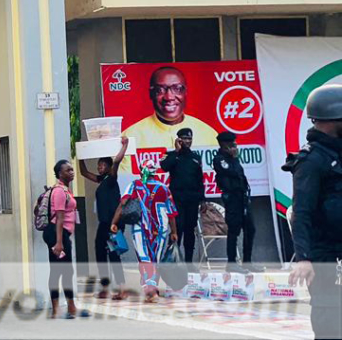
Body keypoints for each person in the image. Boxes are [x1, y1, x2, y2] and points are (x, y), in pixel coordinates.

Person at [285, 84, 342, 340]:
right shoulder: (312, 161)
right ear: (332, 120)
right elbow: (301, 213)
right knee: (329, 328)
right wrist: (303, 258)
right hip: (325, 259)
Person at [111, 159, 178, 303]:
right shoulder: (164, 188)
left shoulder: (135, 185)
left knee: (144, 258)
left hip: (140, 228)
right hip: (161, 230)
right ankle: (152, 288)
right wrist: (174, 232)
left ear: (142, 171)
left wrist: (114, 222)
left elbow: (123, 204)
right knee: (155, 259)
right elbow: (171, 212)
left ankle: (150, 291)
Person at [122, 67, 219, 155]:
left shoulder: (208, 134)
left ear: (185, 92)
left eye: (177, 89)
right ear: (151, 94)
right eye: (160, 90)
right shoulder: (131, 136)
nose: (169, 97)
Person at [77, 137, 129, 299]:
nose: (100, 167)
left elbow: (117, 162)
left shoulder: (112, 179)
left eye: (102, 165)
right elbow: (84, 172)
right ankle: (106, 288)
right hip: (104, 223)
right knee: (100, 252)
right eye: (99, 165)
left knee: (113, 255)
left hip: (113, 224)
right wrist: (80, 154)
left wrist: (124, 146)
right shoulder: (102, 180)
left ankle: (121, 289)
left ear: (108, 167)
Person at [213, 131, 262, 272]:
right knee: (234, 231)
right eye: (232, 144)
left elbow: (240, 175)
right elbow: (232, 172)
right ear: (225, 145)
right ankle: (231, 264)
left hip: (242, 198)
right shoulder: (220, 160)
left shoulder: (233, 159)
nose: (235, 147)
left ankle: (247, 262)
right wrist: (233, 158)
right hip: (232, 199)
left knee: (250, 229)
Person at [45, 160, 88, 318]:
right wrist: (59, 242)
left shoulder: (66, 190)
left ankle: (70, 307)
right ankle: (57, 309)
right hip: (57, 233)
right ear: (60, 173)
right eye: (68, 170)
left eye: (72, 169)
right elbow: (60, 218)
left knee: (65, 271)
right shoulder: (59, 192)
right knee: (60, 271)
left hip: (62, 233)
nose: (72, 172)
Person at [160, 127, 205, 263]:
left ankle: (189, 263)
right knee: (177, 229)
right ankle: (172, 261)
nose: (188, 141)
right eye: (185, 138)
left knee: (189, 230)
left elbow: (199, 180)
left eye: (190, 139)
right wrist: (177, 152)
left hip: (192, 200)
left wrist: (202, 200)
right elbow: (164, 166)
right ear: (178, 140)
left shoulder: (195, 157)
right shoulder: (171, 155)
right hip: (177, 201)